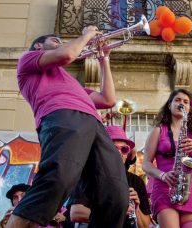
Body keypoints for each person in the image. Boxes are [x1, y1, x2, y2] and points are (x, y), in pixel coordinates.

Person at [7, 28, 129, 228]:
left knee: (116, 193)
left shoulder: (71, 83)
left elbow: (108, 99)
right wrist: (88, 34)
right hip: (61, 114)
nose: (61, 43)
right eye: (55, 40)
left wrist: (103, 58)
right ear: (39, 46)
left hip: (94, 124)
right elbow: (66, 54)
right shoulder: (28, 60)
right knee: (59, 178)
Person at [142, 89, 192, 228]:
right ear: (169, 105)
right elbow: (146, 164)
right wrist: (162, 175)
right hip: (165, 186)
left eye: (186, 102)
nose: (181, 103)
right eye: (177, 100)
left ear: (189, 108)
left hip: (191, 189)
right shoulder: (159, 130)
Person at [69, 125, 152, 228]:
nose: (119, 153)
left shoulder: (136, 181)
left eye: (124, 149)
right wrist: (116, 211)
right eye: (113, 148)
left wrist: (136, 209)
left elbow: (145, 225)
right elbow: (76, 213)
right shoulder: (88, 176)